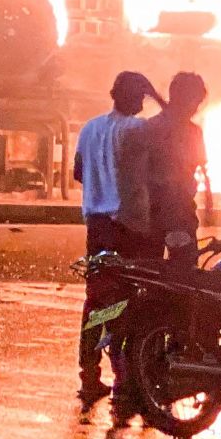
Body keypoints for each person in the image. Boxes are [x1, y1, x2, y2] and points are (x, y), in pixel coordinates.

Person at [75, 70, 162, 412]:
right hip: (126, 228)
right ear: (131, 97)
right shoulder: (138, 130)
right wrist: (160, 94)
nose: (143, 102)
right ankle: (124, 378)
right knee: (127, 302)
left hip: (96, 227)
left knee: (96, 301)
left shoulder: (90, 128)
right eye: (141, 96)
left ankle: (88, 374)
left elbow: (79, 172)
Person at [146, 72, 213, 269]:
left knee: (150, 269)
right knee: (184, 271)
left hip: (153, 212)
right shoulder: (192, 132)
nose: (196, 108)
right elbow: (201, 168)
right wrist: (208, 200)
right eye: (195, 102)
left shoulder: (151, 127)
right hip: (178, 213)